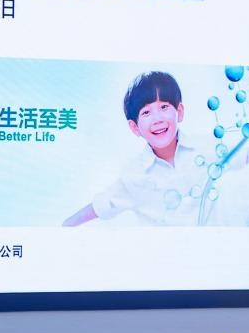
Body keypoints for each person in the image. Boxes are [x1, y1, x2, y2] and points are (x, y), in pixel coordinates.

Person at [63, 71, 203, 227]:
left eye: (164, 107)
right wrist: (63, 227)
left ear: (179, 112)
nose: (157, 119)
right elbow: (102, 205)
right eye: (146, 112)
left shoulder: (208, 149)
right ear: (135, 127)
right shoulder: (135, 175)